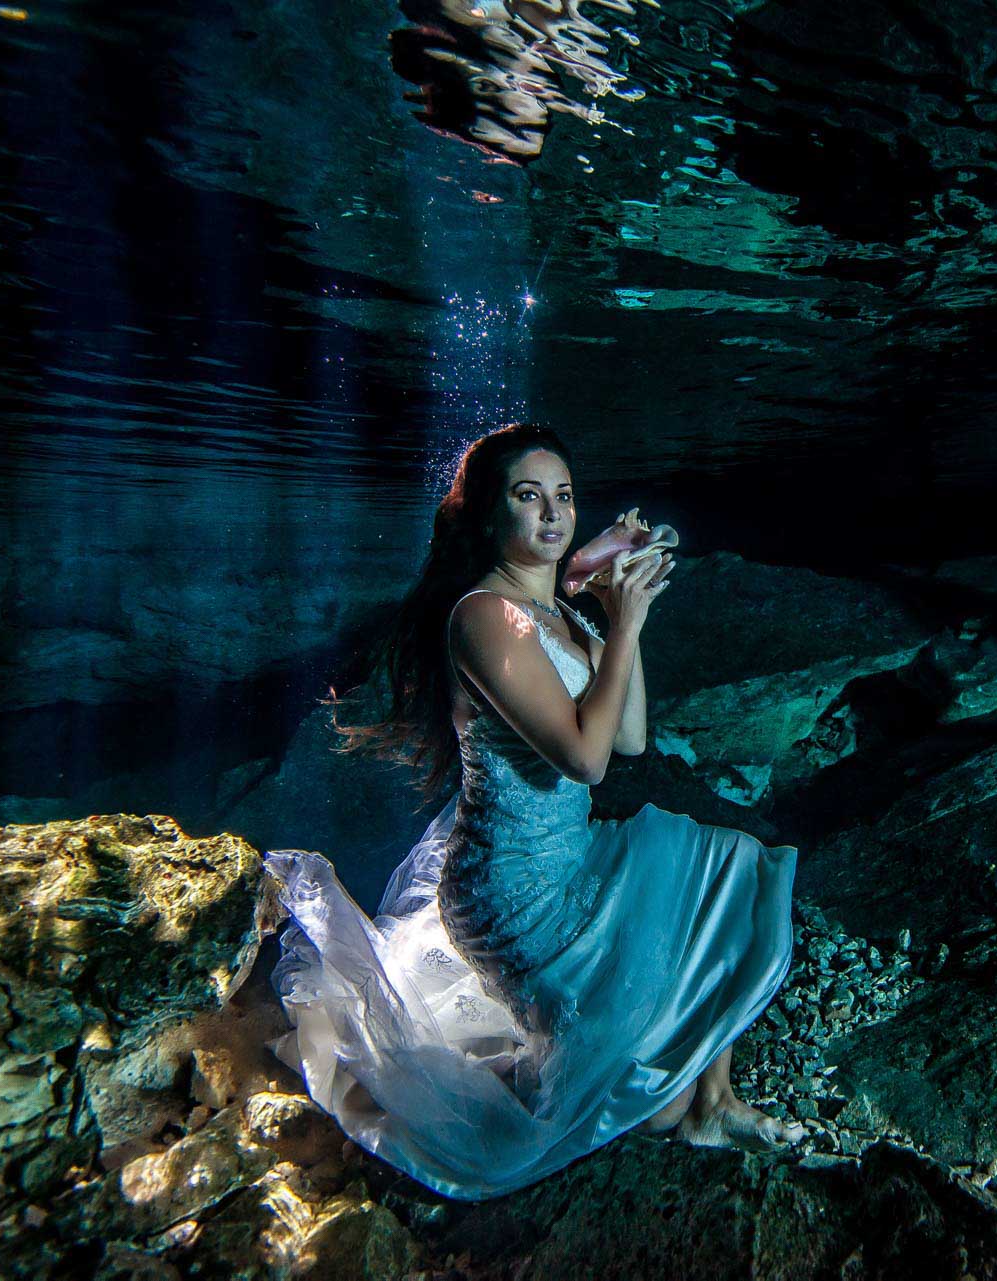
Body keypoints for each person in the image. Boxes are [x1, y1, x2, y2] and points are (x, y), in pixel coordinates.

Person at [264, 422, 805, 1202]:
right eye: (528, 497)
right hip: (512, 892)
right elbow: (583, 758)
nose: (552, 513)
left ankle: (714, 1106)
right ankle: (665, 1101)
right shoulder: (484, 618)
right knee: (639, 1105)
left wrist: (606, 594)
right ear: (489, 516)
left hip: (568, 857)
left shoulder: (555, 613)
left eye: (564, 497)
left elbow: (628, 736)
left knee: (726, 868)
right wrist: (624, 619)